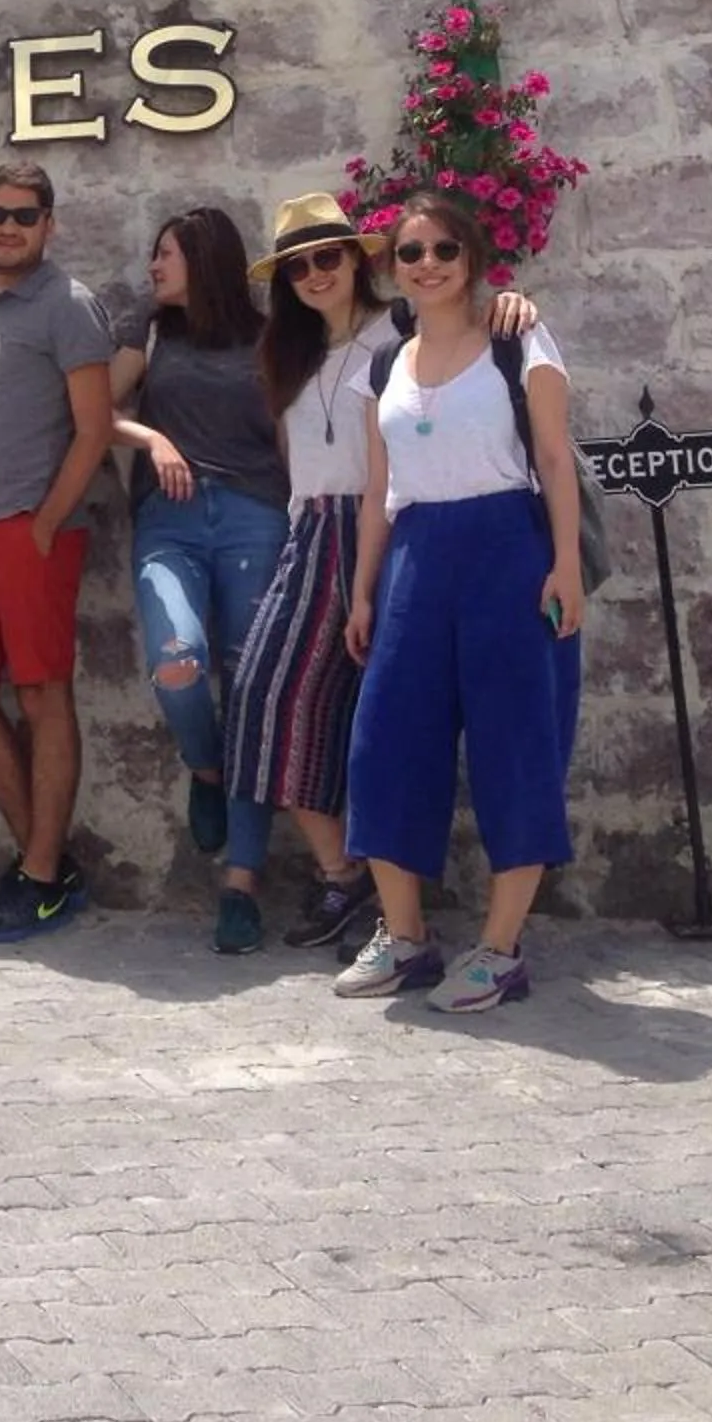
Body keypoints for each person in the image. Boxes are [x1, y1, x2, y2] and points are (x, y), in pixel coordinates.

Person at [221, 193, 537, 957]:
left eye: (327, 256)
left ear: (359, 261)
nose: (314, 274)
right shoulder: (288, 353)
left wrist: (516, 303)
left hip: (402, 529)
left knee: (395, 721)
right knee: (268, 697)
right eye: (297, 266)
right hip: (317, 531)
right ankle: (345, 872)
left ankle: (405, 914)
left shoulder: (398, 329)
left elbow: (469, 321)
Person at [337, 193, 584, 1014]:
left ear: (472, 258)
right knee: (383, 743)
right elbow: (378, 491)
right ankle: (406, 939)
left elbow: (554, 458)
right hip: (414, 559)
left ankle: (501, 951)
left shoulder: (518, 340)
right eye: (411, 252)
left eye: (445, 248)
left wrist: (565, 566)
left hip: (507, 550)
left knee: (518, 744)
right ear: (393, 267)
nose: (428, 264)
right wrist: (363, 590)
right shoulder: (384, 366)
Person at [0, 164, 116, 945]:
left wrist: (46, 523)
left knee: (42, 696)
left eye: (25, 215)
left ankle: (41, 878)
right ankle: (46, 864)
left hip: (28, 530)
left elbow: (95, 427)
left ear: (50, 223)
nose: (9, 227)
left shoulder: (68, 305)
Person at [105, 207, 290, 954]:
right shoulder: (151, 333)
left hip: (255, 518)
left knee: (250, 691)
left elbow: (290, 435)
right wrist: (153, 437)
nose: (154, 266)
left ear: (205, 260)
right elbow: (93, 410)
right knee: (177, 660)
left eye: (167, 254)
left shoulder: (270, 338)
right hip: (170, 520)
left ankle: (241, 883)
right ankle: (206, 769)